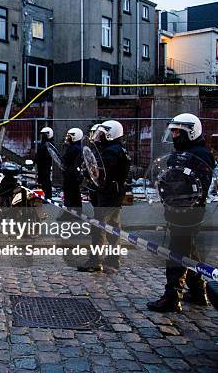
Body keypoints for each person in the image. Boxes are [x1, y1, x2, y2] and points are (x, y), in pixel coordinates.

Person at [147, 114, 216, 313]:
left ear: (190, 132)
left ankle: (172, 297)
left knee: (176, 255)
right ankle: (197, 292)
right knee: (190, 252)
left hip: (188, 211)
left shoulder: (200, 154)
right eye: (174, 131)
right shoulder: (184, 152)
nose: (174, 135)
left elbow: (197, 186)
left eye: (178, 131)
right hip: (178, 210)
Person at [78, 120, 130, 275]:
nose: (99, 137)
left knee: (98, 228)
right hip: (116, 193)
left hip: (108, 194)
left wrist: (87, 171)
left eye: (102, 134)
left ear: (110, 134)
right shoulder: (119, 149)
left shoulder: (111, 151)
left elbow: (99, 172)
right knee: (113, 228)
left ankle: (95, 260)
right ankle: (114, 258)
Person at [61, 128, 83, 214]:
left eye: (69, 136)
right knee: (75, 194)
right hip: (75, 174)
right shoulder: (77, 147)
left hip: (71, 174)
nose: (67, 138)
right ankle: (77, 213)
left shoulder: (74, 148)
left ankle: (68, 214)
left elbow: (66, 159)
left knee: (69, 195)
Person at [36, 127, 54, 199]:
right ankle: (44, 195)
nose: (43, 136)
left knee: (46, 181)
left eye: (44, 134)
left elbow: (46, 155)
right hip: (41, 165)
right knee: (43, 181)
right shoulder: (43, 143)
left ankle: (47, 196)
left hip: (45, 165)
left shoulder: (49, 144)